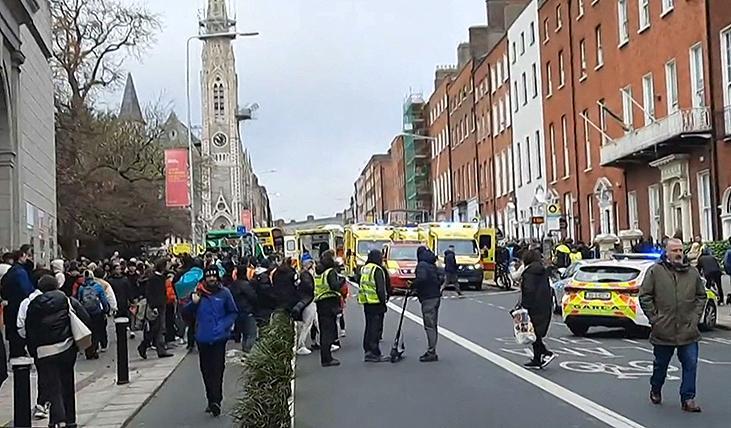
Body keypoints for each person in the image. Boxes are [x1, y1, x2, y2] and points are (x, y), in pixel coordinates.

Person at [639, 238, 706, 413]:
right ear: (666, 252)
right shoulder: (655, 271)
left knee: (690, 364)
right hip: (664, 329)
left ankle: (688, 398)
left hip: (688, 329)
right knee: (661, 365)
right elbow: (645, 296)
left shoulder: (692, 273)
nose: (678, 253)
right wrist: (655, 319)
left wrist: (695, 317)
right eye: (674, 250)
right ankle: (656, 388)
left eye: (680, 250)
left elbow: (701, 296)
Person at [17, 275, 90, 428]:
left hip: (44, 351)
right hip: (66, 347)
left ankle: (57, 419)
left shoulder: (33, 305)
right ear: (57, 285)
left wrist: (34, 351)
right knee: (67, 383)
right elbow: (84, 317)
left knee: (53, 386)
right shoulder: (66, 299)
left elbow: (29, 331)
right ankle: (70, 420)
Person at [183, 266, 238, 417]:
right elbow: (185, 313)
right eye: (208, 277)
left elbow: (233, 312)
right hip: (202, 338)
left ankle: (216, 400)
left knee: (218, 369)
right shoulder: (198, 293)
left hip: (219, 338)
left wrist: (224, 326)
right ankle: (210, 399)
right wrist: (193, 303)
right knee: (206, 371)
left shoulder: (224, 293)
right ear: (205, 278)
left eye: (214, 276)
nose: (211, 279)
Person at [519, 249, 555, 369]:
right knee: (535, 333)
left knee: (533, 332)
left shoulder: (529, 273)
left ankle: (546, 353)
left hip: (533, 306)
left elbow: (529, 290)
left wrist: (524, 306)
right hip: (544, 305)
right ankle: (537, 359)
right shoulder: (542, 271)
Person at [1, 244, 35, 358]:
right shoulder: (20, 272)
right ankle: (18, 357)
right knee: (18, 335)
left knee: (13, 337)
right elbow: (27, 290)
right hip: (18, 308)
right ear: (23, 256)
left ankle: (15, 356)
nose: (30, 258)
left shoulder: (12, 271)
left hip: (11, 307)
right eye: (29, 255)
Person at [357, 249, 390, 362]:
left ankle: (367, 350)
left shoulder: (364, 268)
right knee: (375, 328)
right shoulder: (377, 270)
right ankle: (375, 352)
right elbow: (380, 288)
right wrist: (383, 301)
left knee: (368, 327)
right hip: (376, 302)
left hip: (366, 301)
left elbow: (359, 281)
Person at [137, 259, 173, 359]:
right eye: (167, 264)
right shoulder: (154, 279)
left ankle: (159, 349)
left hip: (162, 305)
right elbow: (150, 293)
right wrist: (153, 306)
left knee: (159, 329)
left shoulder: (162, 277)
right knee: (156, 329)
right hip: (157, 306)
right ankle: (144, 346)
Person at [314, 250, 344, 367]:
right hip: (329, 303)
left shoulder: (319, 272)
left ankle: (325, 356)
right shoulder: (330, 272)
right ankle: (327, 359)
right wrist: (341, 281)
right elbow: (334, 286)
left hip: (321, 303)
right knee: (329, 332)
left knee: (323, 332)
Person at [413, 246, 441, 362]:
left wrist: (414, 285)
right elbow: (442, 277)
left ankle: (431, 351)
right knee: (433, 324)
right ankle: (432, 349)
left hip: (427, 298)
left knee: (429, 325)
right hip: (435, 296)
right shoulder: (432, 264)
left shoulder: (422, 265)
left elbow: (421, 279)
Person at [78, 271, 110, 359]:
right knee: (97, 331)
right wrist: (106, 310)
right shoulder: (98, 287)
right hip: (97, 312)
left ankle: (88, 350)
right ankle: (95, 349)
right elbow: (103, 300)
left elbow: (79, 300)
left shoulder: (81, 288)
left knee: (88, 331)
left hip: (86, 313)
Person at [229, 264, 258, 353]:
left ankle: (244, 349)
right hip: (247, 311)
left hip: (237, 312)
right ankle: (247, 351)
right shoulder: (246, 285)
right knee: (251, 333)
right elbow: (253, 297)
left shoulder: (233, 285)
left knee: (244, 333)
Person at [292, 259, 317, 355]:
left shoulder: (302, 274)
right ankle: (300, 345)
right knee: (307, 324)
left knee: (313, 323)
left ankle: (322, 342)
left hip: (306, 300)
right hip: (309, 301)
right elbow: (309, 287)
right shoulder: (306, 275)